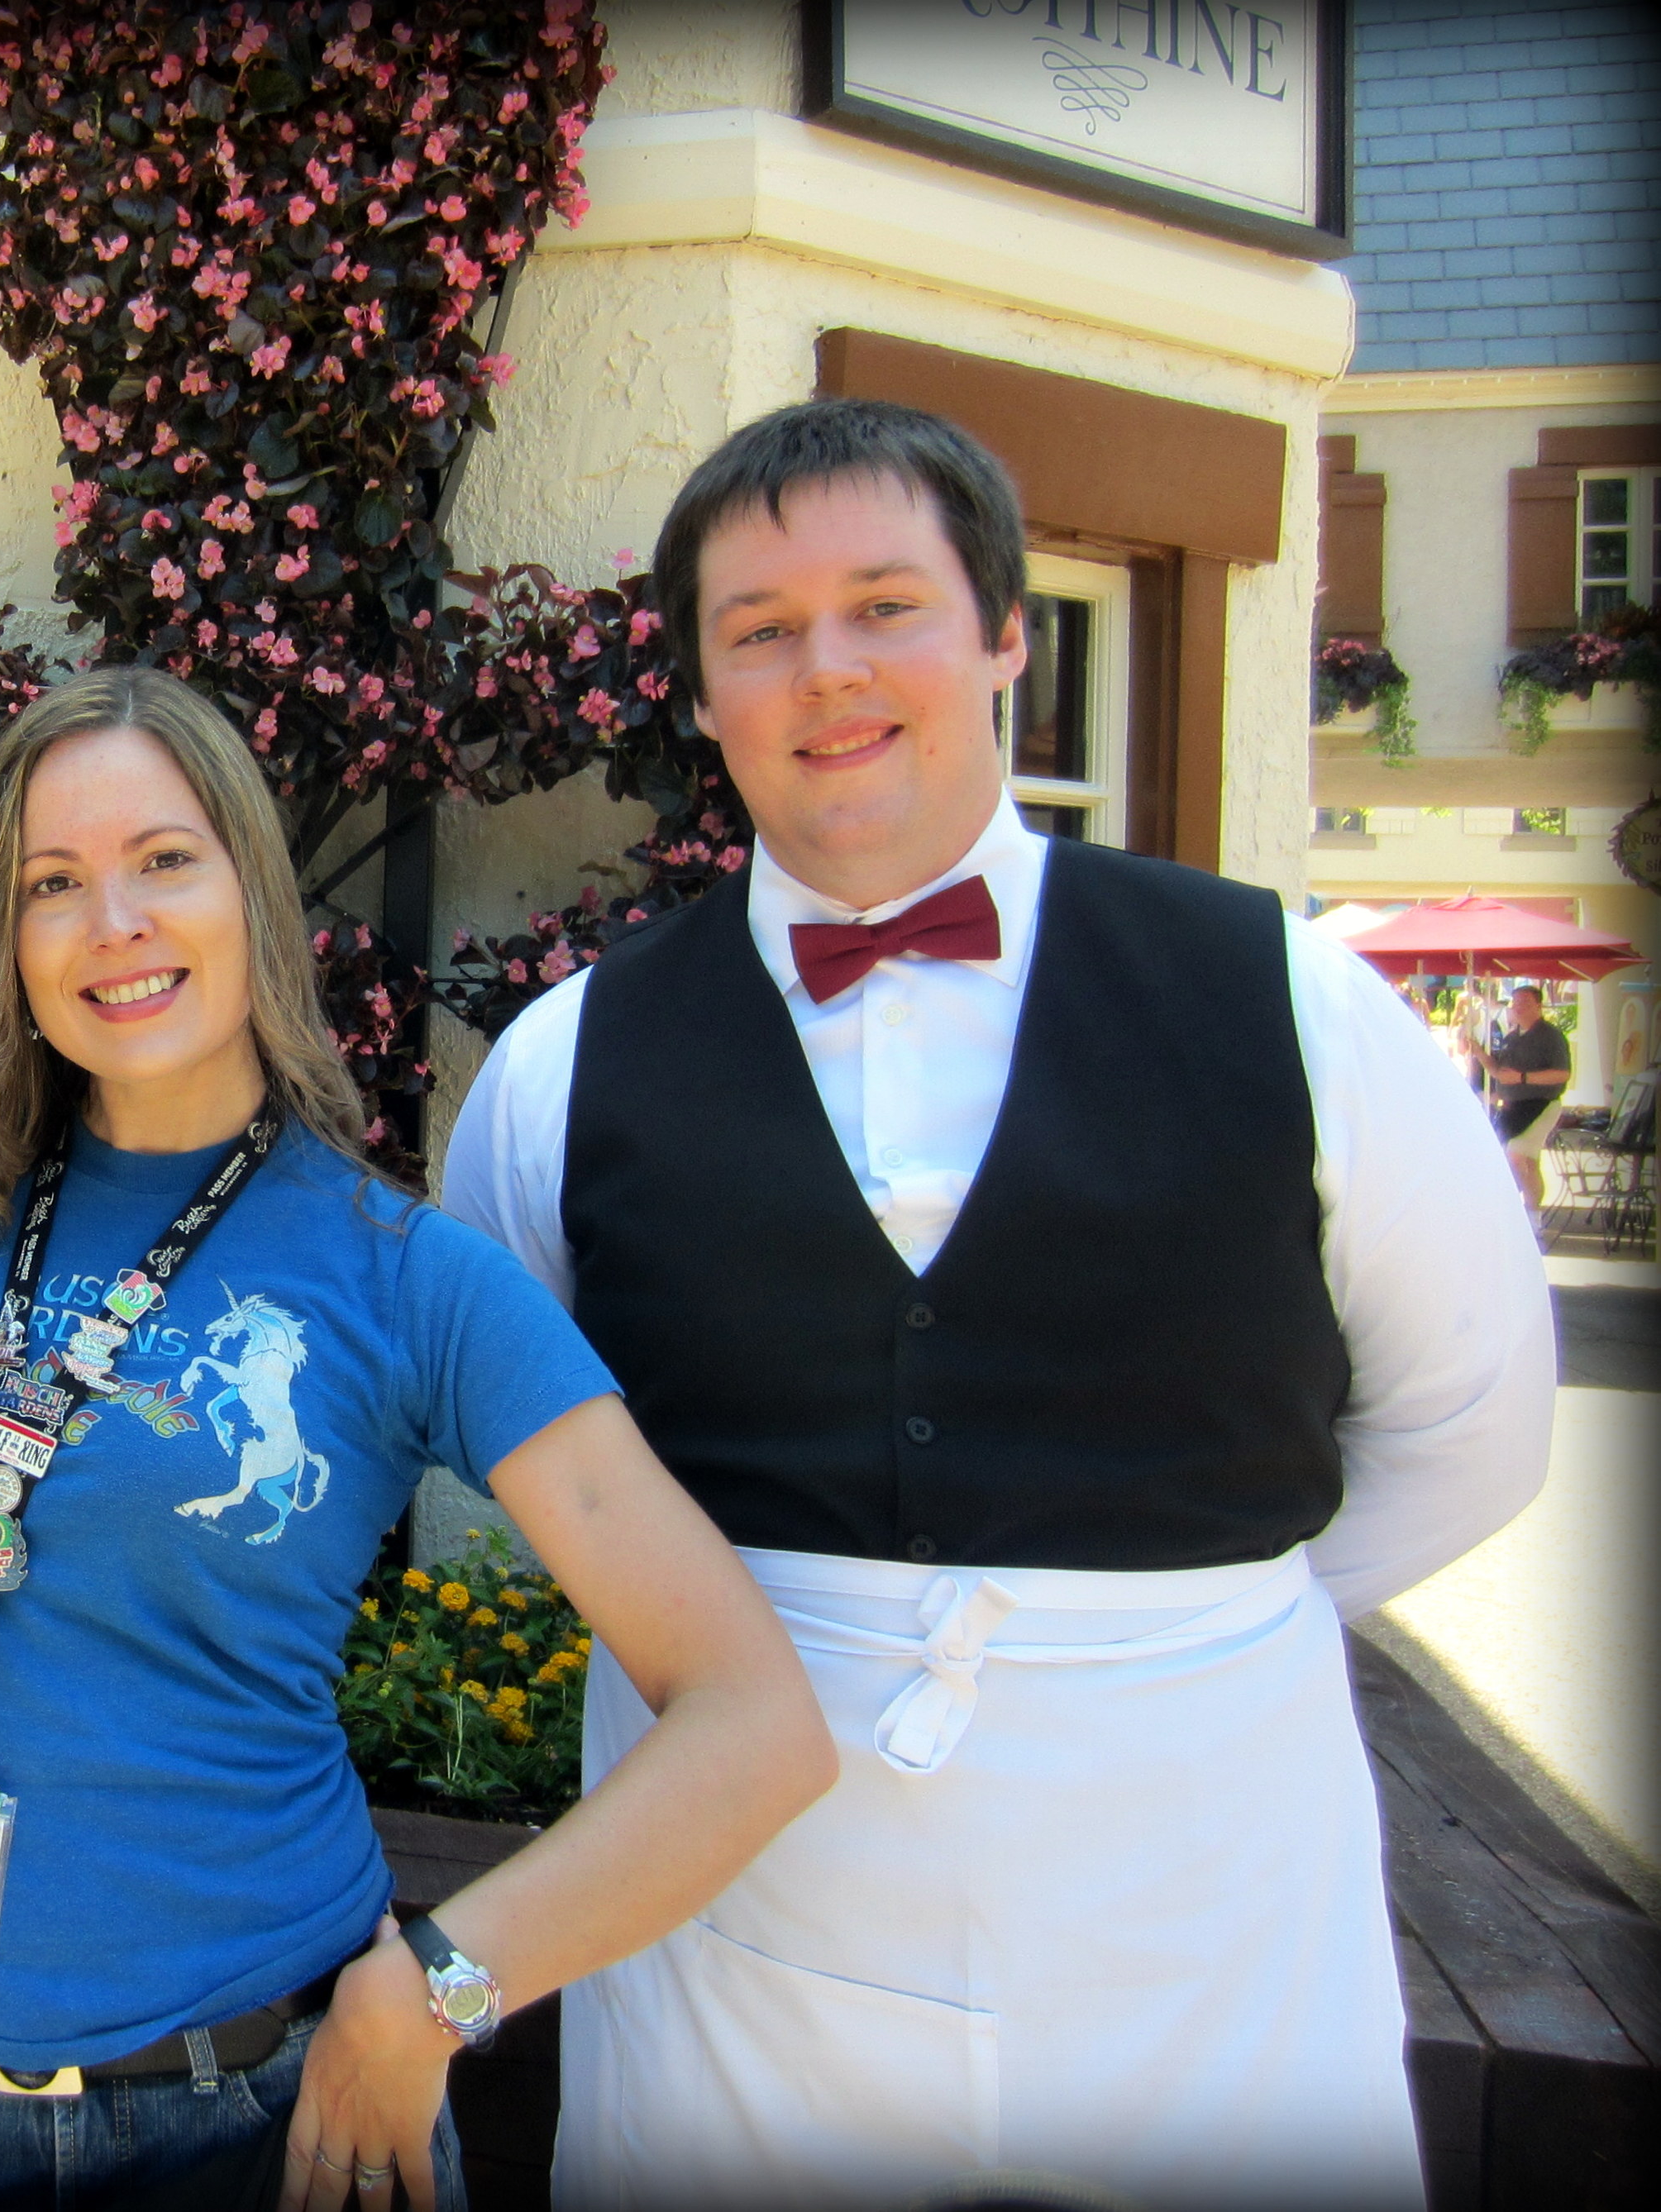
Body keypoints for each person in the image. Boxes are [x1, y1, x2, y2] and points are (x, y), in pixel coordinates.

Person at [445, 399, 1556, 2209]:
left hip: (1202, 1936)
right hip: (742, 1960)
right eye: (758, 630)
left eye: (883, 605)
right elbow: (538, 1470)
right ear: (701, 695)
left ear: (1001, 639)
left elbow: (1470, 1429)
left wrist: (1145, 1655)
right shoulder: (555, 1073)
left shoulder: (1297, 1006)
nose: (826, 669)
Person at [0, 666, 833, 2211]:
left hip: (251, 2120)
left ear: (251, 886)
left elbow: (755, 1724)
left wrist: (440, 1991)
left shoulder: (405, 1279)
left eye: (163, 859)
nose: (112, 922)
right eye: (51, 883)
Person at [1486, 980, 1574, 1207]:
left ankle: (1524, 1210)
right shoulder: (1512, 1038)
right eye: (1515, 1002)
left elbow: (1562, 1073)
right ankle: (1528, 1211)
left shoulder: (1551, 1036)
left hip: (1542, 1105)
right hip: (1514, 1108)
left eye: (1525, 1002)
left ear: (1538, 1006)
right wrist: (1478, 1053)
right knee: (1525, 1161)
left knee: (1516, 1155)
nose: (1518, 1007)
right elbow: (1500, 1073)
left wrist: (1523, 1078)